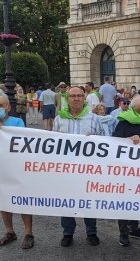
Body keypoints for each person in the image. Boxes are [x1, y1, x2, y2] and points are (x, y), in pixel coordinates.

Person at [53, 86, 103, 247]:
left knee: (88, 201)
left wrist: (94, 140)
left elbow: (105, 143)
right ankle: (67, 233)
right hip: (65, 170)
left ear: (84, 98)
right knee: (66, 201)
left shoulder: (94, 119)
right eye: (72, 96)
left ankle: (91, 232)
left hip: (88, 170)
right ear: (67, 99)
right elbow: (53, 144)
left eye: (79, 96)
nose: (76, 99)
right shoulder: (59, 119)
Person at [112, 95, 140, 246]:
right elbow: (114, 140)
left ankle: (134, 228)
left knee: (136, 199)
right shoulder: (124, 120)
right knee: (124, 200)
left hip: (138, 168)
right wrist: (128, 139)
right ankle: (123, 233)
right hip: (125, 169)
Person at [0, 96, 34, 249]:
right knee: (3, 200)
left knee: (22, 199)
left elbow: (23, 142)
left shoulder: (16, 122)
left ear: (7, 107)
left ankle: (28, 233)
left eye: (0, 105)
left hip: (16, 167)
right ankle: (9, 232)